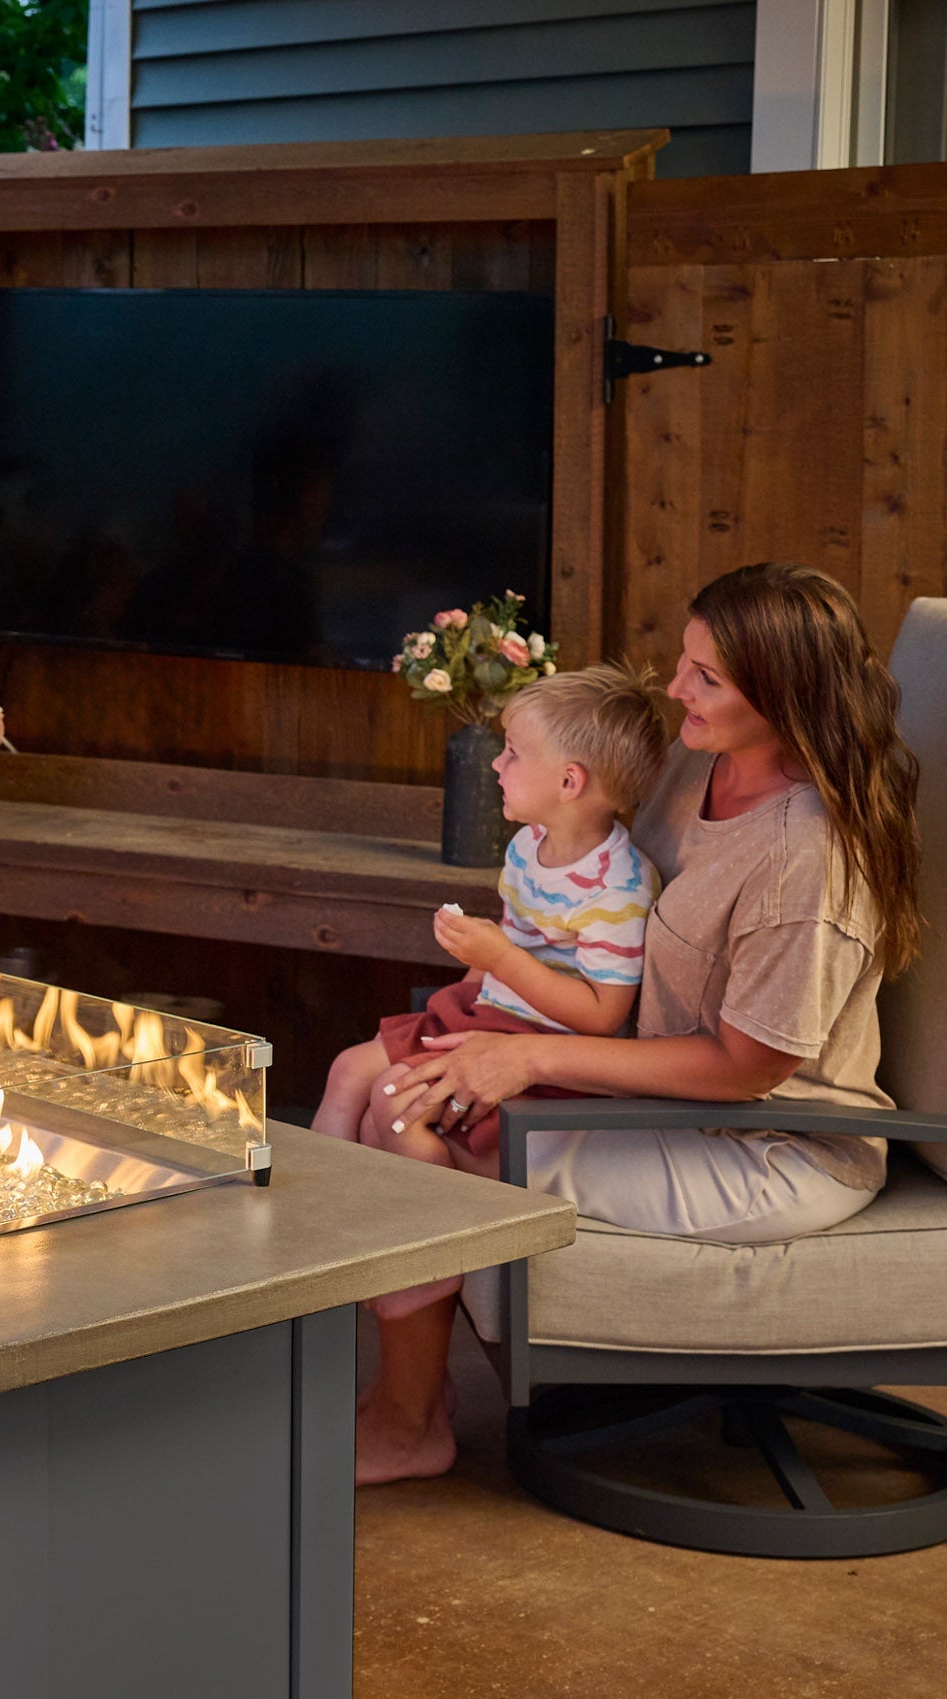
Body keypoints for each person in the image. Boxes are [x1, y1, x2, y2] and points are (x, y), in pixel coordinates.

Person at [358, 563, 923, 1486]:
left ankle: (408, 1423)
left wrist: (527, 1054)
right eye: (684, 664)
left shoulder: (803, 861)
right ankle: (401, 1401)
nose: (675, 690)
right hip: (646, 1089)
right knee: (386, 1092)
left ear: (781, 694)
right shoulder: (700, 768)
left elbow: (749, 1071)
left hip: (766, 1147)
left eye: (706, 677)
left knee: (416, 1130)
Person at [313, 661, 666, 1166]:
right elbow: (511, 933)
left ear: (569, 782)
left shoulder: (617, 892)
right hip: (488, 1011)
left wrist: (498, 959)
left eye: (513, 754)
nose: (497, 765)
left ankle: (442, 1229)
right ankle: (312, 1208)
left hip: (541, 1046)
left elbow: (603, 1017)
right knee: (350, 1071)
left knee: (391, 1103)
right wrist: (464, 981)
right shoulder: (529, 844)